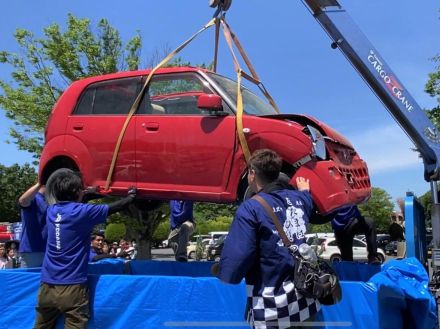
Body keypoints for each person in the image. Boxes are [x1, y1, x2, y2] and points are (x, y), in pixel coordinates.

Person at [215, 149, 320, 329]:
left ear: (252, 174)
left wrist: (225, 272)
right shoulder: (299, 199)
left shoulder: (250, 208)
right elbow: (307, 201)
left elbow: (238, 255)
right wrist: (305, 191)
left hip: (273, 306)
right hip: (307, 300)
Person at [33, 168, 136, 329]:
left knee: (41, 326)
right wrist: (131, 196)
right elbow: (115, 207)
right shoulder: (82, 211)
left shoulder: (51, 211)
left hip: (47, 286)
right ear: (77, 192)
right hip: (72, 286)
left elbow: (78, 201)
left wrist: (91, 193)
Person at [18, 183, 48, 268]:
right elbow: (22, 201)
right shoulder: (34, 198)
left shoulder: (49, 201)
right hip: (32, 251)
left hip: (47, 250)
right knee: (30, 281)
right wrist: (41, 182)